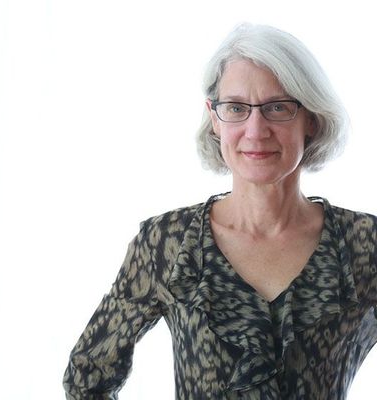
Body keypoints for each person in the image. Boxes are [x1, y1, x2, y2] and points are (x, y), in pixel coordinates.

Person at [63, 23, 377, 399]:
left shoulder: (364, 244)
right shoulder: (167, 242)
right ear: (214, 118)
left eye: (278, 107)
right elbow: (88, 376)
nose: (256, 130)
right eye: (236, 108)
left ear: (310, 117)